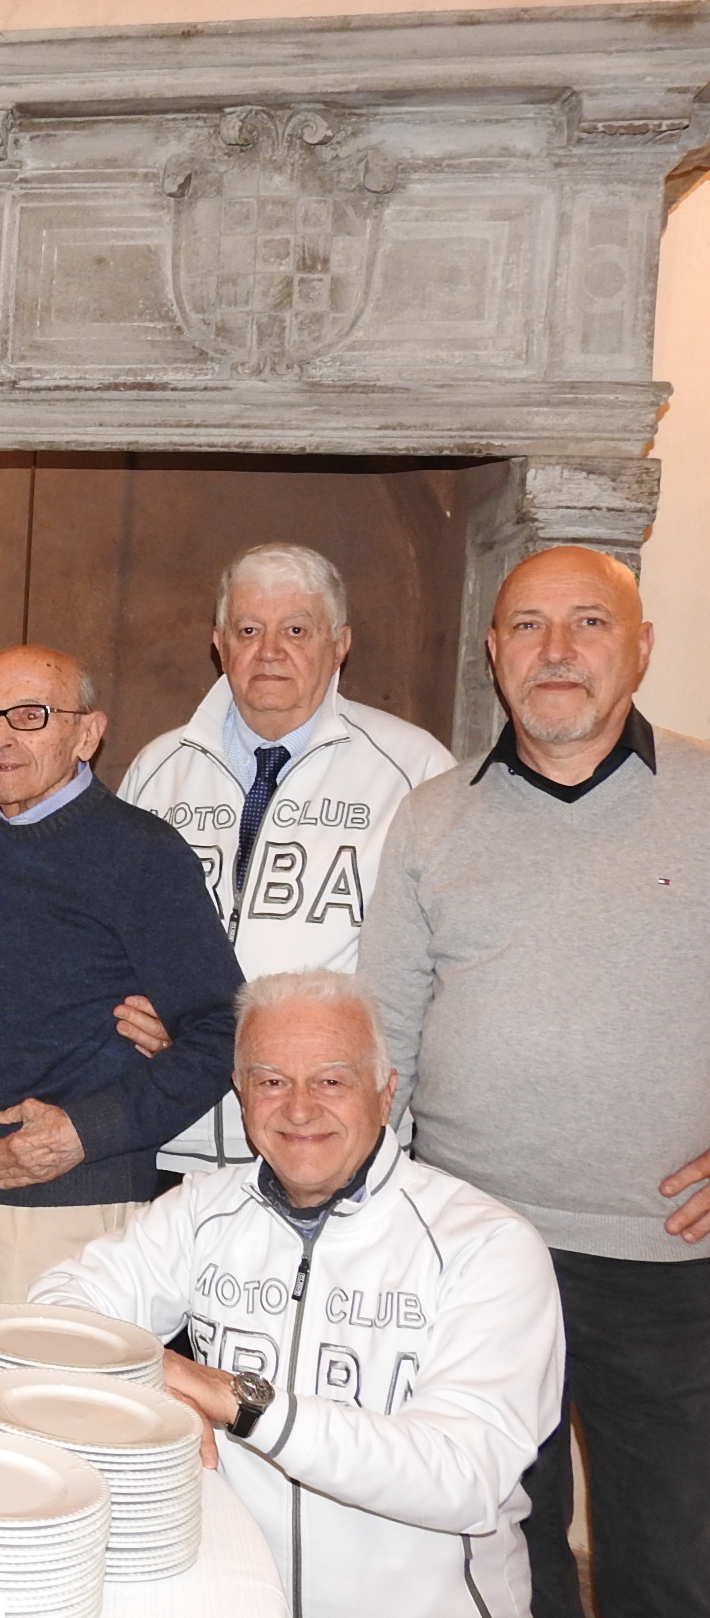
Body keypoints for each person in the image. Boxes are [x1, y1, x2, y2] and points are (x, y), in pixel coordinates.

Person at [361, 545, 710, 1618]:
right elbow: (385, 1037)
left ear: (640, 646)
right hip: (473, 1254)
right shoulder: (430, 817)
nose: (556, 650)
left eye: (588, 623)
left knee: (672, 1566)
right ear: (492, 651)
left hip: (668, 1265)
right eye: (527, 625)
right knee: (501, 1558)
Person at [33, 970, 564, 1618]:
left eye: (331, 1081)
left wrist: (243, 1404)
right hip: (236, 1598)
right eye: (272, 1081)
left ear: (386, 1092)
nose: (300, 1108)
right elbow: (53, 1314)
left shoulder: (487, 1246)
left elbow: (464, 1476)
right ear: (240, 1093)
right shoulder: (200, 1209)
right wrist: (146, 1381)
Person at [0, 645, 240, 1317]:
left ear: (87, 735)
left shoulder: (141, 854)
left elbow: (224, 1031)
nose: (0, 738)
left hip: (73, 1205)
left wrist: (86, 1131)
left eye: (30, 716)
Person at [118, 544, 451, 1175]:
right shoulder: (158, 769)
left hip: (327, 1137)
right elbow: (110, 938)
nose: (269, 651)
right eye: (249, 630)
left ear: (339, 643)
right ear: (219, 643)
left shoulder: (415, 770)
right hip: (168, 1131)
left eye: (296, 630)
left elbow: (442, 967)